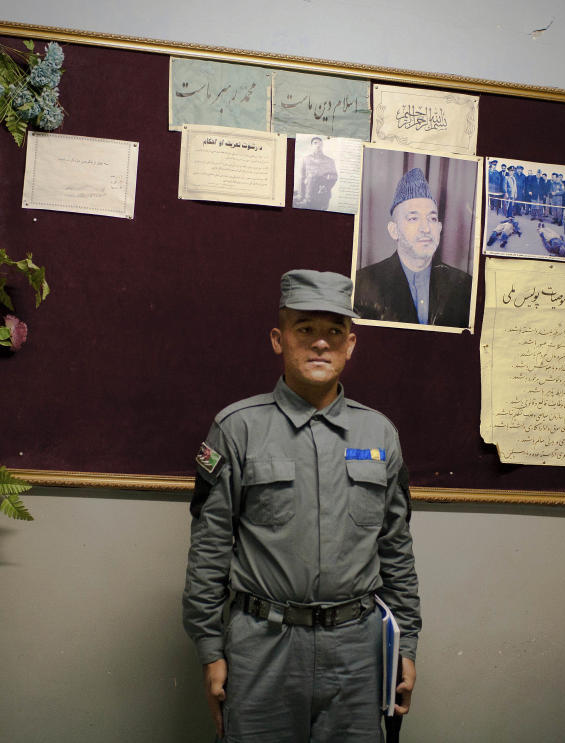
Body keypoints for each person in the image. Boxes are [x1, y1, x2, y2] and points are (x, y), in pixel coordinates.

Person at [183, 269, 421, 742]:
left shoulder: (380, 435)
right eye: (305, 329)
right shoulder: (237, 429)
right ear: (279, 339)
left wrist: (406, 644)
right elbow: (208, 553)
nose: (320, 344)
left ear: (351, 345)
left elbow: (396, 551)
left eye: (335, 331)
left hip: (357, 652)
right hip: (262, 649)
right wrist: (211, 650)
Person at [354, 167, 472, 328]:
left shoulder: (463, 285)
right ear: (394, 230)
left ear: (439, 227)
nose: (425, 228)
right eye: (413, 218)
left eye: (432, 218)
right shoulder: (362, 283)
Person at [298, 136, 338, 210]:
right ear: (311, 146)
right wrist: (301, 196)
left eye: (320, 143)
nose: (318, 145)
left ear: (322, 146)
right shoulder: (305, 159)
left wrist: (326, 185)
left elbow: (335, 177)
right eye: (315, 143)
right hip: (309, 196)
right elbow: (301, 178)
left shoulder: (330, 161)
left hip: (323, 197)